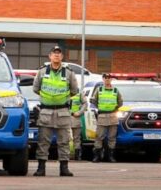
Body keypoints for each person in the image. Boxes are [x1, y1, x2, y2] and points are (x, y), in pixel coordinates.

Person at [32, 45, 79, 177]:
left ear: (62, 57)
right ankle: (41, 168)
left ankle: (64, 168)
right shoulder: (42, 72)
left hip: (63, 112)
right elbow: (35, 88)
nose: (56, 55)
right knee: (43, 141)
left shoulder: (69, 73)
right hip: (46, 112)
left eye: (59, 53)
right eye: (54, 53)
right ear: (50, 56)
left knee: (64, 141)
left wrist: (60, 98)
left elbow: (74, 91)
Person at [90, 73, 123, 163]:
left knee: (112, 137)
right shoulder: (99, 90)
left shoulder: (116, 90)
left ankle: (110, 156)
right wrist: (100, 108)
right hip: (102, 116)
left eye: (109, 78)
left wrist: (114, 108)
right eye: (105, 78)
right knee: (99, 136)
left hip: (113, 116)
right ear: (103, 79)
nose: (107, 80)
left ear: (111, 79)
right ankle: (97, 156)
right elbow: (94, 101)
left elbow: (120, 102)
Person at [69, 91, 87, 161]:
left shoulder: (79, 93)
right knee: (64, 138)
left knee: (76, 138)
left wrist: (79, 112)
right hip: (64, 118)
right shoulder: (63, 91)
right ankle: (65, 155)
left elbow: (85, 103)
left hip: (75, 118)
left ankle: (77, 156)